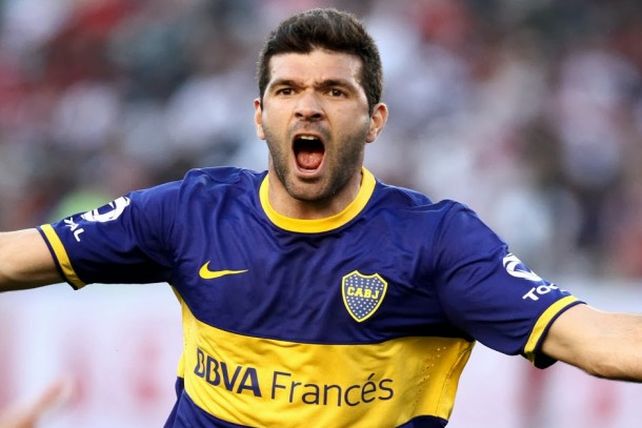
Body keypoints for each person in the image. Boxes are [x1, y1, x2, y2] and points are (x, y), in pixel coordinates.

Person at [0, 7, 641, 428]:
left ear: (374, 120)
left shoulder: (436, 243)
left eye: (334, 91)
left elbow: (593, 340)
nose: (308, 107)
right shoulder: (188, 213)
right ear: (260, 117)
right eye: (288, 90)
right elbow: (18, 256)